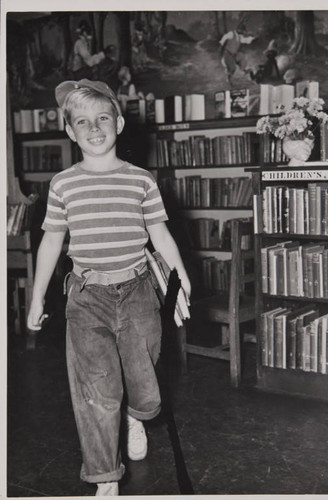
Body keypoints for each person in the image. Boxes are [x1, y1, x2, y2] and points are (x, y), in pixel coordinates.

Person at [27, 79, 191, 496]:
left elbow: (161, 235)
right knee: (96, 392)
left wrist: (181, 278)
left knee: (146, 386)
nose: (94, 127)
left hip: (138, 292)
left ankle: (137, 416)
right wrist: (36, 296)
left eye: (102, 118)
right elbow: (51, 242)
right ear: (70, 131)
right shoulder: (63, 184)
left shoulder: (141, 181)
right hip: (86, 298)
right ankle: (104, 476)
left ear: (118, 122)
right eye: (82, 121)